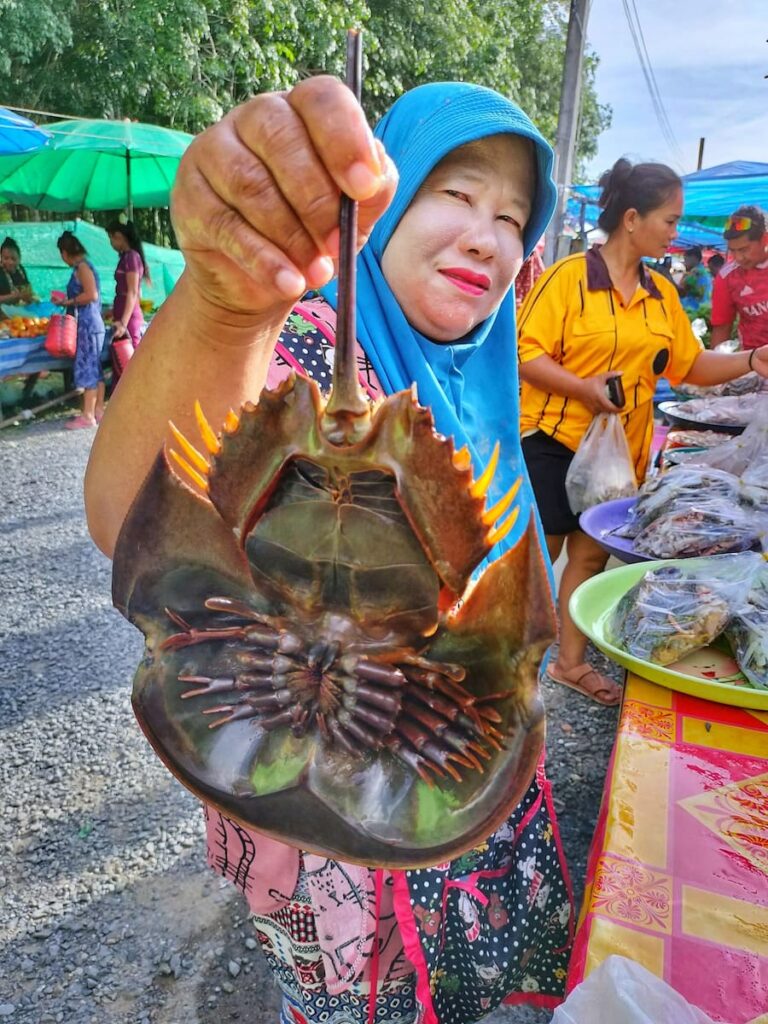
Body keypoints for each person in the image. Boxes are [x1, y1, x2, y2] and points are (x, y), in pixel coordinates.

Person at [84, 78, 575, 1022]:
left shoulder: (483, 374)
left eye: (514, 217)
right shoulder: (307, 349)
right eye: (457, 193)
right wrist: (229, 303)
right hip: (294, 805)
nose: (489, 236)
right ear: (382, 200)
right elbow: (129, 515)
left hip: (447, 780)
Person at [518, 158, 768, 705]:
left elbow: (690, 366)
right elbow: (524, 352)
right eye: (670, 220)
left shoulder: (661, 294)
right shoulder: (570, 279)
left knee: (587, 557)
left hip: (619, 457)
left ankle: (568, 663)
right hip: (553, 442)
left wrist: (753, 359)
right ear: (632, 218)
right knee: (539, 554)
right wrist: (582, 387)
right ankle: (508, 670)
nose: (677, 232)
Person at [56, 230, 106, 429]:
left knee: (88, 368)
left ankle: (87, 416)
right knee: (96, 368)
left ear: (65, 252)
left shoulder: (82, 267)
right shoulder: (84, 265)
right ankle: (98, 410)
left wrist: (69, 301)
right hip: (93, 324)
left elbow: (91, 294)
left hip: (87, 324)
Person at [710, 205, 768, 350]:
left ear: (765, 239)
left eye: (744, 249)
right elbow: (722, 328)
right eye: (733, 251)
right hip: (754, 363)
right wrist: (717, 368)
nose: (738, 258)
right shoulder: (727, 276)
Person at [106, 219, 150, 348]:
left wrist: (123, 323)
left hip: (129, 318)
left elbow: (133, 291)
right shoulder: (125, 257)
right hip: (121, 312)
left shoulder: (132, 257)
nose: (111, 243)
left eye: (111, 238)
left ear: (119, 236)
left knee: (130, 357)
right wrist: (113, 311)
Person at [677, 245, 712, 314]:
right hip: (703, 308)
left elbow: (681, 290)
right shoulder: (703, 271)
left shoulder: (695, 272)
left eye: (686, 259)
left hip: (693, 309)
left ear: (695, 258)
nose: (685, 262)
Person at [0, 236, 34, 305]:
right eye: (6, 258)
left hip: (17, 309)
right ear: (1, 258)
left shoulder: (20, 269)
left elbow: (27, 290)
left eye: (13, 259)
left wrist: (30, 298)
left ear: (19, 258)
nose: (10, 262)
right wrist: (16, 296)